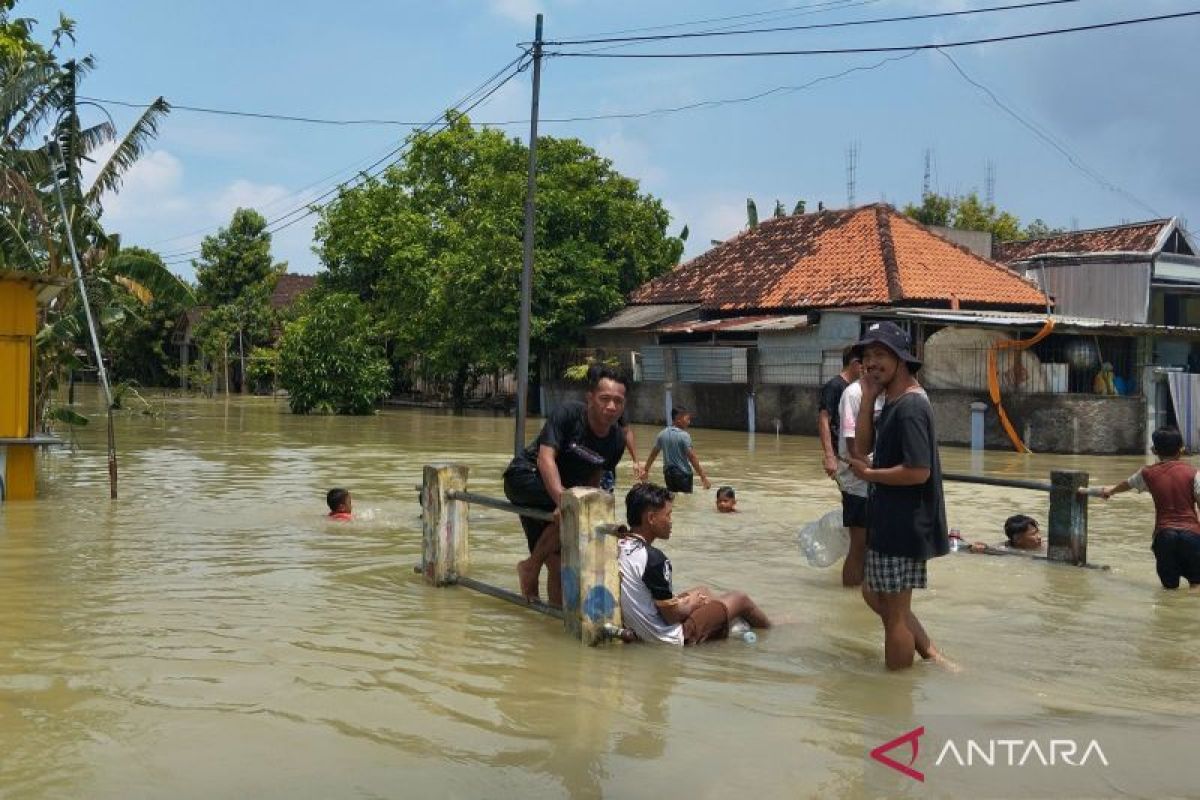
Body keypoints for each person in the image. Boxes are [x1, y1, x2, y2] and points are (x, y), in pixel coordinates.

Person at [847, 321, 951, 671]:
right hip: (889, 519)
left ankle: (897, 692)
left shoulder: (910, 408)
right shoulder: (890, 399)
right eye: (867, 356)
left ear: (901, 359)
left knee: (894, 616)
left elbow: (918, 470)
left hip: (904, 524)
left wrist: (872, 475)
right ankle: (932, 657)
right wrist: (868, 397)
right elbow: (861, 449)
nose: (872, 363)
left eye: (880, 355)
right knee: (875, 595)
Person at [503, 366, 628, 605]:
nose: (611, 407)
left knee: (559, 564)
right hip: (525, 478)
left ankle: (551, 625)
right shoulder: (569, 414)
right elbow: (545, 458)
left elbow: (595, 477)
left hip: (563, 495)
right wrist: (565, 501)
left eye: (618, 401)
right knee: (574, 513)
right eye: (604, 399)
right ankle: (531, 566)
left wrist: (579, 503)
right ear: (590, 398)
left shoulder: (617, 440)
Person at [616, 483, 770, 645]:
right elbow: (672, 617)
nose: (671, 521)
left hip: (643, 627)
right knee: (740, 599)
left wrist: (686, 603)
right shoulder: (654, 559)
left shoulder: (619, 544)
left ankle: (725, 620)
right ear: (651, 518)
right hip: (672, 637)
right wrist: (691, 606)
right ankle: (771, 630)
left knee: (702, 591)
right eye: (668, 515)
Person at [1099, 426, 1200, 590]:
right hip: (1192, 536)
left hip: (1164, 536)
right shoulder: (1194, 473)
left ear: (1154, 450)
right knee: (1196, 585)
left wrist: (1111, 491)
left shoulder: (1147, 474)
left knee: (1169, 589)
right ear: (1181, 450)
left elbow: (1128, 484)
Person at [835, 354, 883, 587]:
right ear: (862, 366)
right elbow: (851, 440)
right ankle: (850, 596)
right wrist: (868, 465)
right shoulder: (853, 394)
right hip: (858, 482)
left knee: (876, 544)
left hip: (880, 479)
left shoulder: (888, 392)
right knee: (860, 544)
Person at [643, 406, 711, 494]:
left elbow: (653, 454)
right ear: (678, 419)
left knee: (673, 499)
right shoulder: (684, 435)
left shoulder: (662, 434)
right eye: (687, 419)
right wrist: (703, 477)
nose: (689, 422)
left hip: (668, 475)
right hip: (683, 475)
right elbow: (692, 457)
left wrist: (646, 470)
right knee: (686, 501)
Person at [819, 347, 863, 479]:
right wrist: (829, 456)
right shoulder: (834, 386)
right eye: (864, 362)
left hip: (851, 451)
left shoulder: (855, 387)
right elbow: (824, 420)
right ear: (855, 363)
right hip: (840, 453)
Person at [968, 514, 1044, 554]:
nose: (1039, 537)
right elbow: (983, 547)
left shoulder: (1046, 545)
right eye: (1033, 534)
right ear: (1018, 539)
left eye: (1038, 531)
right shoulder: (1003, 550)